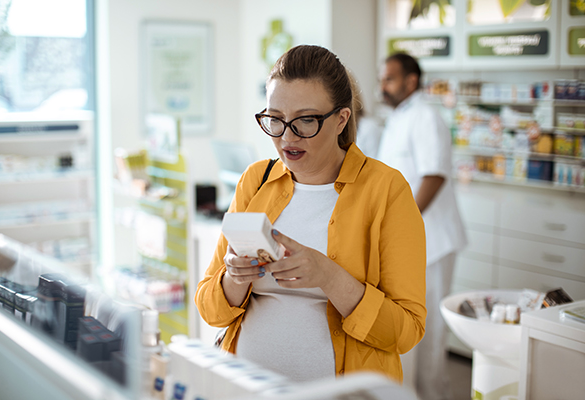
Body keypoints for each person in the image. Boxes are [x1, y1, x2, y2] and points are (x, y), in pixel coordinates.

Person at [195, 45, 427, 384]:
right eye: (275, 119)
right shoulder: (256, 181)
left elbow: (406, 331)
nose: (288, 137)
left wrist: (329, 276)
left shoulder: (387, 191)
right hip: (247, 388)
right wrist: (234, 278)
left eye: (305, 120)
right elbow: (209, 308)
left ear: (341, 119)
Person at [375, 53, 468, 400]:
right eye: (382, 79)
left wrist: (402, 226)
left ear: (411, 81)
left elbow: (434, 176)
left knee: (430, 334)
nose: (382, 86)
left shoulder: (427, 117)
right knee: (410, 331)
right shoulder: (398, 119)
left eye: (389, 79)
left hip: (433, 242)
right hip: (410, 244)